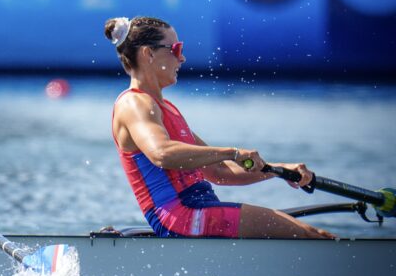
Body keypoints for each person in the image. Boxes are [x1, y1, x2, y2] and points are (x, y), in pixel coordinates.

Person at [104, 16, 333, 239]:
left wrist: (280, 170)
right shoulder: (134, 103)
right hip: (181, 216)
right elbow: (162, 154)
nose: (181, 58)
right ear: (149, 53)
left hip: (198, 209)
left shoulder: (166, 109)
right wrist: (232, 152)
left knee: (308, 233)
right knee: (312, 235)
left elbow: (220, 172)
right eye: (175, 49)